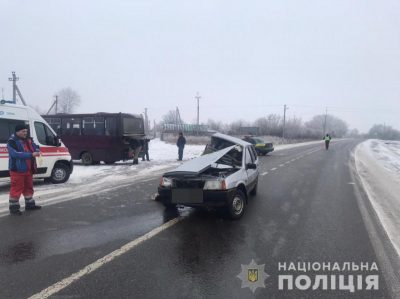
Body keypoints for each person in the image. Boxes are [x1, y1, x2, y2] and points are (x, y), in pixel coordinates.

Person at [7, 124, 42, 215]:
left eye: (26, 131)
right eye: (23, 131)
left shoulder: (29, 139)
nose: (25, 133)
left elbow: (35, 147)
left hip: (28, 169)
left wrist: (37, 150)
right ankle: (14, 208)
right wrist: (31, 155)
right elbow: (15, 154)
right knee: (16, 188)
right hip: (17, 170)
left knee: (28, 187)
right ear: (17, 132)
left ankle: (30, 205)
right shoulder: (12, 141)